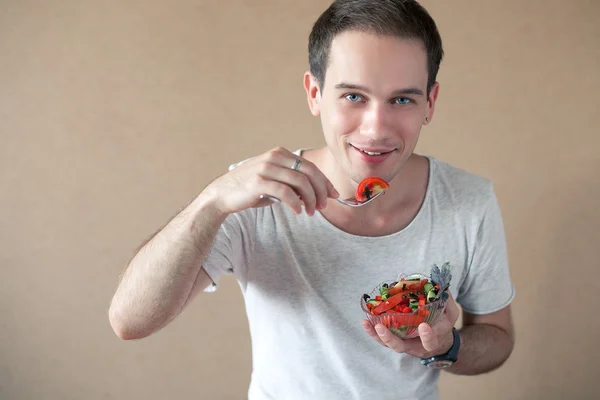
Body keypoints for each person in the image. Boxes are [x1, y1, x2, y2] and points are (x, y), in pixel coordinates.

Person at [109, 0, 516, 399]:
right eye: (353, 96)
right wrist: (212, 200)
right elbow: (130, 321)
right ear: (314, 93)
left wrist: (448, 347)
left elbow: (498, 338)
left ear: (430, 102)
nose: (375, 129)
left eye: (402, 99)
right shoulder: (254, 194)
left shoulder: (469, 200)